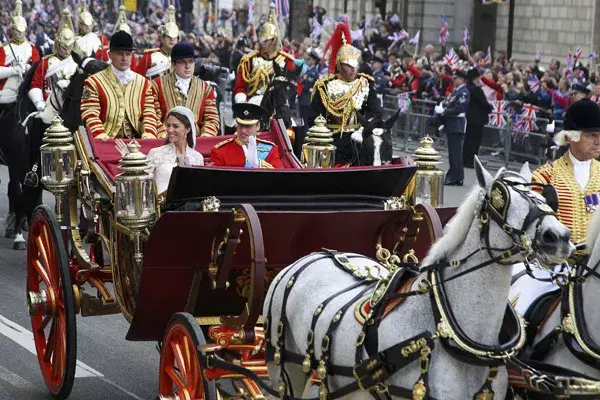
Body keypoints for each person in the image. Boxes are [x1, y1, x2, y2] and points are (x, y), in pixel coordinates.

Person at [311, 22, 382, 166]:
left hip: (358, 139)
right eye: (348, 65)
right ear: (339, 64)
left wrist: (363, 129)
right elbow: (313, 116)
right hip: (330, 140)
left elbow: (377, 113)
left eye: (355, 65)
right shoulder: (324, 86)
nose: (353, 69)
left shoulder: (365, 84)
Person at [532, 98, 600, 244]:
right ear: (570, 137)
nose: (598, 141)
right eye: (590, 135)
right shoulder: (544, 177)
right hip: (553, 262)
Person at [0, 0, 40, 239]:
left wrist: (26, 69)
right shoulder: (4, 48)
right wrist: (11, 70)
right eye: (16, 32)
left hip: (25, 91)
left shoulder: (32, 48)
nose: (19, 35)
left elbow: (37, 67)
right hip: (6, 93)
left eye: (22, 32)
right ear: (11, 31)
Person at [81, 31, 158, 139]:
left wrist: (148, 135)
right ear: (110, 55)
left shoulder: (144, 83)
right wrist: (102, 138)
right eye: (119, 53)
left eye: (128, 54)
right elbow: (90, 114)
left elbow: (149, 113)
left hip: (137, 142)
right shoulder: (94, 82)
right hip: (106, 141)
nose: (124, 58)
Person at [116, 106, 204, 194]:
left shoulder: (197, 157)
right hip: (161, 206)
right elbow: (139, 182)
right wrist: (131, 161)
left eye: (175, 126)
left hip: (188, 207)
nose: (170, 130)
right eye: (168, 125)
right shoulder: (156, 153)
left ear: (188, 129)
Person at [232, 3, 297, 105]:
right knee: (238, 121)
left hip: (277, 106)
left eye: (265, 40)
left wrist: (286, 98)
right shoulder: (248, 60)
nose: (261, 43)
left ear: (274, 41)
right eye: (260, 39)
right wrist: (242, 100)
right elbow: (240, 86)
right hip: (252, 104)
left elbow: (295, 86)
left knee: (289, 122)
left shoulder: (286, 61)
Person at [152, 42, 220, 138]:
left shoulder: (205, 88)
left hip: (195, 143)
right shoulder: (157, 85)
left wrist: (205, 137)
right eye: (182, 62)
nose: (187, 66)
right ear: (173, 64)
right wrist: (164, 136)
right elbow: (154, 117)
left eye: (191, 61)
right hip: (166, 141)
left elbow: (211, 119)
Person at [28, 8, 78, 121]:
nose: (66, 51)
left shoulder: (77, 63)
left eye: (69, 48)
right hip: (48, 105)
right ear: (57, 44)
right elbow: (36, 85)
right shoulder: (46, 62)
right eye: (64, 48)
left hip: (71, 108)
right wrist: (39, 103)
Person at [210, 103, 281, 168]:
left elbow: (277, 178)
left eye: (248, 126)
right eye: (240, 125)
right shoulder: (220, 151)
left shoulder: (270, 150)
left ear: (258, 126)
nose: (243, 130)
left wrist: (258, 164)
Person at [435, 69, 470, 186]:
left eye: (456, 78)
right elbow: (449, 102)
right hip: (452, 123)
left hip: (457, 124)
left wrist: (444, 111)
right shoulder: (456, 92)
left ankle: (455, 177)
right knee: (454, 153)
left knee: (455, 153)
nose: (454, 80)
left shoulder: (463, 92)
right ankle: (457, 176)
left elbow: (460, 108)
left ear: (462, 79)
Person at [135, 5, 179, 79]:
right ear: (162, 38)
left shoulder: (183, 59)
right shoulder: (149, 58)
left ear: (178, 40)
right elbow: (137, 82)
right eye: (168, 36)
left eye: (174, 37)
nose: (172, 39)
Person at [463, 67, 492, 168]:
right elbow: (484, 103)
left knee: (468, 140)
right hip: (477, 118)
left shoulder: (467, 87)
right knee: (474, 141)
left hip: (470, 117)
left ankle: (465, 159)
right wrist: (490, 108)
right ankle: (470, 161)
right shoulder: (476, 89)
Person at [95, 6, 137, 70]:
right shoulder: (105, 51)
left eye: (128, 54)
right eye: (120, 54)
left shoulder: (132, 54)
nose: (124, 58)